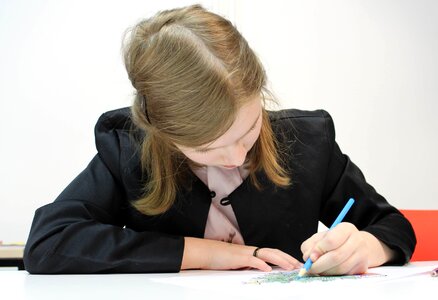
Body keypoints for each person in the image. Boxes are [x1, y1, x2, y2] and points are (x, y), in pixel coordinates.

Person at [23, 5, 416, 275]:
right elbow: (49, 241)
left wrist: (366, 247)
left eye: (248, 131)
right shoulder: (130, 149)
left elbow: (393, 226)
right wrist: (216, 256)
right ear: (163, 133)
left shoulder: (308, 139)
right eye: (207, 148)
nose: (236, 156)